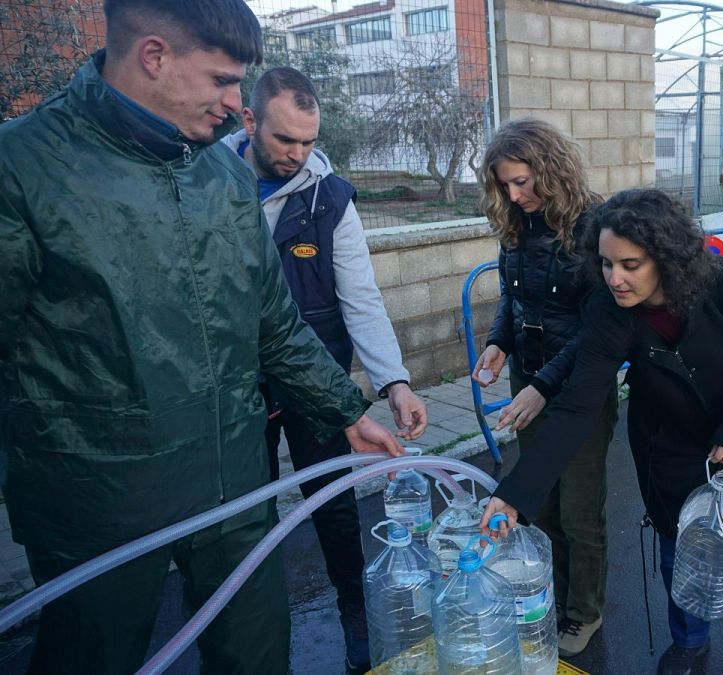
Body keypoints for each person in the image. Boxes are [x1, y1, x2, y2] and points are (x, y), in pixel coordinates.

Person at [0, 2, 404, 673]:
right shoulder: (23, 168)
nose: (233, 104)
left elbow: (273, 323)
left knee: (255, 652)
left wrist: (349, 410)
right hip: (101, 503)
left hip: (234, 485)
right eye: (220, 80)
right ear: (154, 56)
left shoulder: (222, 178)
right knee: (95, 656)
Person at [480, 188, 723, 675]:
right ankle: (690, 642)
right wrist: (515, 494)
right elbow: (577, 408)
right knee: (679, 555)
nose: (615, 279)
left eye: (629, 264)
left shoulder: (719, 280)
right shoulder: (609, 312)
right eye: (606, 264)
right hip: (669, 445)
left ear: (665, 257)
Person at [222, 66, 428, 672]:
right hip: (236, 384)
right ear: (250, 121)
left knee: (333, 500)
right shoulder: (212, 181)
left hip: (317, 376)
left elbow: (360, 295)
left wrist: (394, 382)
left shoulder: (329, 196)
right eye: (286, 140)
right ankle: (251, 632)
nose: (299, 154)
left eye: (310, 141)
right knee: (246, 511)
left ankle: (357, 622)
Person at [470, 117, 619, 657]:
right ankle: (556, 598)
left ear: (552, 169)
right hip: (527, 379)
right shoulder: (516, 222)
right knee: (540, 503)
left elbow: (598, 327)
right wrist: (497, 343)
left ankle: (586, 612)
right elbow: (514, 296)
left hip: (578, 390)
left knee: (581, 512)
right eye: (506, 184)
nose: (516, 194)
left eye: (524, 181)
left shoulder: (594, 225)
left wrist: (542, 388)